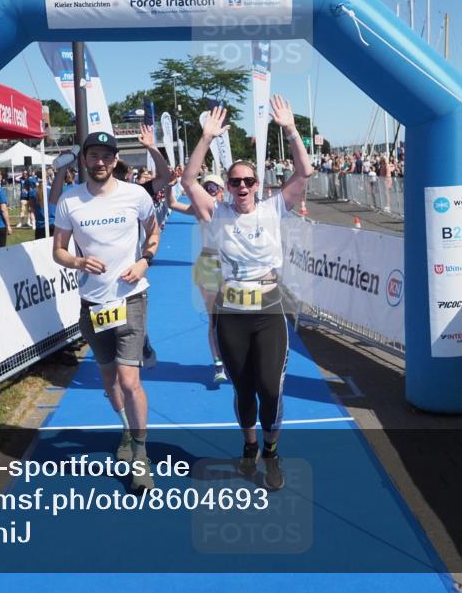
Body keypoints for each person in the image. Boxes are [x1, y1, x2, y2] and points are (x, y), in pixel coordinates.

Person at [181, 96, 314, 491]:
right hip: (231, 312)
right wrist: (205, 137)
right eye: (235, 181)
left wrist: (290, 129)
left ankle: (272, 452)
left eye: (248, 181)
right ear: (227, 185)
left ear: (258, 185)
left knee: (270, 387)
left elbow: (304, 170)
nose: (241, 187)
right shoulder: (216, 212)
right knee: (243, 389)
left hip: (269, 309)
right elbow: (188, 181)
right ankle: (249, 445)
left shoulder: (274, 208)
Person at [53, 132, 160, 493]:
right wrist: (78, 260)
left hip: (131, 298)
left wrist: (145, 261)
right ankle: (127, 430)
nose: (100, 162)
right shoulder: (70, 200)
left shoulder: (136, 195)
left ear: (116, 161)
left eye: (106, 156)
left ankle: (141, 456)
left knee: (130, 382)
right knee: (111, 384)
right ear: (84, 159)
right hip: (93, 304)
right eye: (93, 156)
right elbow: (58, 251)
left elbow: (154, 233)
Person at [169, 173, 228, 384]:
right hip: (209, 265)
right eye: (207, 188)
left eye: (214, 188)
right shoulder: (199, 210)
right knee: (214, 319)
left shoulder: (231, 210)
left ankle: (237, 358)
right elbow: (173, 203)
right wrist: (170, 185)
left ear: (222, 191)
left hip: (231, 268)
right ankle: (218, 363)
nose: (210, 191)